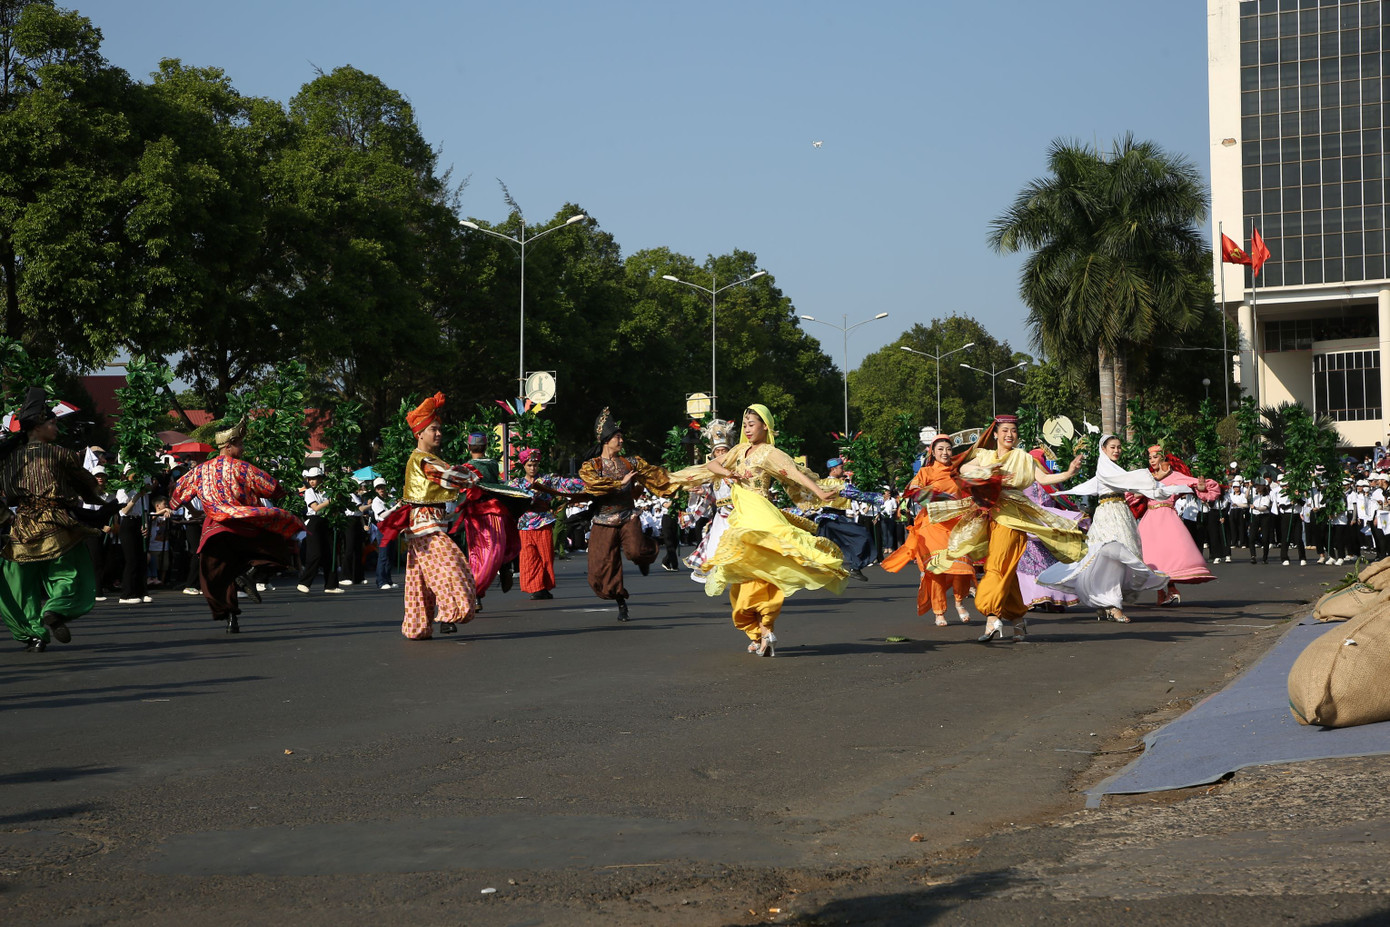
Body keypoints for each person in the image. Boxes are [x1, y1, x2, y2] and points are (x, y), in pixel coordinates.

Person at [695, 404, 847, 656]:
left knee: (758, 574)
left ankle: (763, 632)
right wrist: (729, 473)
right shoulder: (739, 450)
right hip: (741, 516)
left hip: (759, 514)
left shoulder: (769, 453)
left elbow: (795, 474)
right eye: (745, 425)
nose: (747, 429)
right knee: (747, 574)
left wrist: (819, 492)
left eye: (752, 424)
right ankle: (763, 632)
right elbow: (713, 465)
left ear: (765, 426)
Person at [922, 415, 1085, 643]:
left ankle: (991, 616)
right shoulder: (985, 456)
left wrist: (1068, 473)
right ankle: (1018, 622)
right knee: (1006, 573)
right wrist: (989, 471)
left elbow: (1043, 479)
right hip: (991, 517)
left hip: (1014, 519)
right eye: (1005, 430)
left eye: (1013, 431)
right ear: (996, 433)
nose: (1010, 435)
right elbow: (964, 469)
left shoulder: (1024, 458)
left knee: (997, 567)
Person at [169, 417, 306, 633]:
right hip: (243, 523)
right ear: (228, 445)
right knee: (280, 546)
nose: (242, 448)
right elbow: (273, 489)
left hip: (215, 527)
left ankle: (231, 618)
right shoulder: (244, 468)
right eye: (240, 444)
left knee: (219, 574)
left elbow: (177, 493)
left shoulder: (200, 470)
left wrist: (196, 511)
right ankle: (250, 573)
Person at [0, 387, 107, 651]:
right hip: (57, 524)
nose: (57, 428)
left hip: (20, 527)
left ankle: (34, 634)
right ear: (38, 426)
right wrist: (100, 498)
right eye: (53, 423)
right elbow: (88, 486)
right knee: (68, 574)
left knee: (21, 586)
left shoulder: (8, 458)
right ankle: (56, 608)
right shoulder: (61, 454)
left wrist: (5, 517)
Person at [1037, 434, 1183, 623]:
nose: (1117, 450)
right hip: (1108, 514)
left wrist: (1161, 488)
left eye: (1119, 447)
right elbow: (1130, 481)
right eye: (1112, 447)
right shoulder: (1104, 467)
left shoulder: (1114, 470)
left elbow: (1130, 485)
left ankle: (1104, 603)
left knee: (1117, 559)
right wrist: (1154, 480)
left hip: (1121, 513)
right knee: (1111, 557)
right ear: (1103, 449)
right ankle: (1112, 605)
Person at [375, 393, 483, 640]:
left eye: (439, 429)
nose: (438, 433)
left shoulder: (428, 459)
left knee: (420, 578)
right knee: (453, 566)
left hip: (426, 525)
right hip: (426, 527)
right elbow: (447, 476)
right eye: (433, 429)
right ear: (420, 433)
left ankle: (417, 626)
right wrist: (473, 477)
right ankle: (451, 612)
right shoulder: (423, 460)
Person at [579, 408, 677, 621]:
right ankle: (620, 601)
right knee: (600, 570)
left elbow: (655, 474)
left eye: (621, 437)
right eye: (618, 437)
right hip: (603, 520)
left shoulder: (630, 463)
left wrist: (682, 480)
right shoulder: (592, 466)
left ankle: (645, 554)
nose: (621, 440)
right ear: (606, 440)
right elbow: (593, 484)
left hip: (627, 516)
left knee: (636, 551)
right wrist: (619, 483)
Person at [883, 435, 975, 626]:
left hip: (956, 525)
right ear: (933, 452)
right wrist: (934, 496)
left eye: (948, 449)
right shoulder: (926, 472)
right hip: (933, 526)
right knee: (938, 570)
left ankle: (959, 602)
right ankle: (939, 611)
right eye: (940, 449)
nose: (945, 453)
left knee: (962, 568)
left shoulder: (959, 471)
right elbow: (913, 491)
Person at [1136, 445, 1218, 604]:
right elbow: (1133, 494)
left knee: (1167, 556)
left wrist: (1201, 488)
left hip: (1167, 517)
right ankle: (1163, 593)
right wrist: (1146, 486)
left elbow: (1198, 484)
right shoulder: (1148, 477)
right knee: (1152, 557)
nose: (1152, 460)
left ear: (1163, 458)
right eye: (1150, 458)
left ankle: (1171, 589)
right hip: (1150, 519)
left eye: (1155, 457)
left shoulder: (1175, 476)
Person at [507, 448, 584, 600]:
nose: (533, 468)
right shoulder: (515, 484)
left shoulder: (547, 480)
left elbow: (564, 483)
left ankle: (543, 587)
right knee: (529, 558)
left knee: (546, 556)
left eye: (535, 465)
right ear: (524, 465)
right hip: (524, 525)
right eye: (529, 465)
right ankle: (536, 588)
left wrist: (588, 483)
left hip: (544, 522)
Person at [459, 431, 520, 603]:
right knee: (495, 548)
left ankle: (475, 592)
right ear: (485, 446)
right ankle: (503, 566)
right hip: (494, 511)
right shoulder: (493, 464)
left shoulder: (466, 467)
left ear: (468, 447)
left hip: (475, 514)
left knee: (475, 554)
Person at [683, 419, 737, 585]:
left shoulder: (736, 469)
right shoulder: (713, 474)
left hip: (737, 517)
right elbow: (715, 497)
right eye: (717, 451)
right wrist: (703, 492)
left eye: (723, 450)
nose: (720, 454)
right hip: (721, 517)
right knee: (714, 551)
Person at [810, 457, 876, 581]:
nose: (843, 470)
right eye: (841, 468)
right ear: (833, 469)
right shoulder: (840, 485)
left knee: (826, 548)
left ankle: (823, 575)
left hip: (824, 521)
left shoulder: (820, 483)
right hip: (835, 519)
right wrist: (877, 498)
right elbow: (858, 495)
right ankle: (855, 567)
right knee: (862, 535)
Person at [296, 467, 342, 594]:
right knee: (315, 554)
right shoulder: (309, 492)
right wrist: (330, 501)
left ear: (321, 479)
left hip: (327, 521)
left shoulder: (328, 491)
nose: (311, 481)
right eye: (310, 479)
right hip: (314, 522)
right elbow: (316, 508)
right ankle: (304, 582)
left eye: (314, 479)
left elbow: (333, 508)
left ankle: (331, 585)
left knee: (330, 554)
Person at [115, 464, 152, 605]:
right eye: (131, 472)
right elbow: (124, 511)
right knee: (131, 559)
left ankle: (141, 591)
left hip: (139, 522)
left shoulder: (142, 489)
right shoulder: (123, 489)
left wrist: (145, 523)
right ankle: (126, 594)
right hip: (128, 523)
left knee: (142, 558)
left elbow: (145, 509)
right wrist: (136, 497)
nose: (134, 475)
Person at [369, 477, 398, 589]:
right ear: (376, 490)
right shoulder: (376, 501)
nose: (381, 489)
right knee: (383, 555)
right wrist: (395, 508)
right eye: (378, 488)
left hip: (392, 528)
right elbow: (382, 515)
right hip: (383, 528)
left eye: (382, 487)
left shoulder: (390, 499)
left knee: (390, 555)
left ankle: (388, 580)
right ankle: (381, 581)